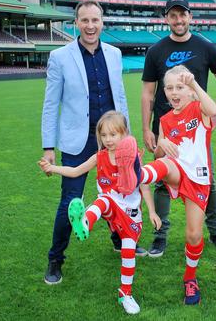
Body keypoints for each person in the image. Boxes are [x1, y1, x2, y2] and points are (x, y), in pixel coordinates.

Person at [41, 0, 138, 285]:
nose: (90, 25)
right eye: (84, 20)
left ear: (102, 21)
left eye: (95, 19)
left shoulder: (114, 54)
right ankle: (56, 259)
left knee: (121, 193)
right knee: (70, 202)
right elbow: (51, 104)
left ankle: (121, 239)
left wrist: (128, 137)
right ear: (76, 22)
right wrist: (49, 147)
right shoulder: (60, 57)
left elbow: (119, 99)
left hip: (114, 140)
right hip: (78, 141)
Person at [39, 111, 161, 314]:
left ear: (125, 134)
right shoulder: (100, 156)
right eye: (104, 135)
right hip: (109, 205)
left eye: (113, 135)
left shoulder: (132, 157)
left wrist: (152, 212)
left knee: (128, 253)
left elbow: (144, 186)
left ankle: (126, 293)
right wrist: (53, 168)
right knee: (103, 200)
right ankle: (84, 222)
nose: (108, 140)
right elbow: (76, 170)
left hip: (130, 213)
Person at [141, 0, 216, 257]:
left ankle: (215, 231)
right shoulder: (156, 51)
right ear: (166, 18)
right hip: (166, 127)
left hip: (195, 126)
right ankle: (160, 235)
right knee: (161, 180)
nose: (178, 19)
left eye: (183, 14)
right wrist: (148, 129)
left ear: (190, 17)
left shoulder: (205, 46)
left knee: (208, 179)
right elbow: (148, 93)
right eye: (173, 15)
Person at [137, 65, 216, 305]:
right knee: (164, 163)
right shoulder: (164, 120)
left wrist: (194, 84)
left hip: (198, 178)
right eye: (170, 88)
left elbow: (214, 110)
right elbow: (159, 154)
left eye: (180, 87)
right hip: (175, 170)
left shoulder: (198, 109)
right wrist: (162, 145)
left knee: (193, 235)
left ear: (191, 91)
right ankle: (136, 174)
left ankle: (190, 278)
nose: (174, 92)